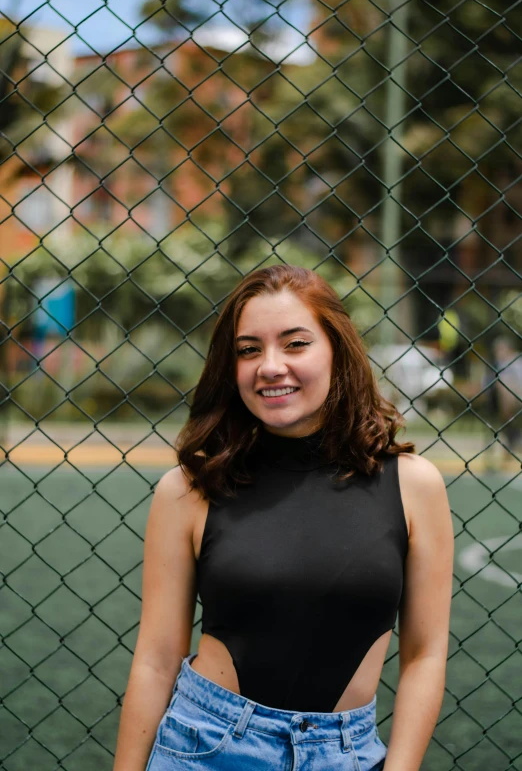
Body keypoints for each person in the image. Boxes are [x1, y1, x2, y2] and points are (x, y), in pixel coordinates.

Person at [112, 264, 454, 771]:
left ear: (337, 350)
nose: (269, 366)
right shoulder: (187, 491)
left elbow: (425, 655)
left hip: (346, 756)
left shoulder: (414, 485)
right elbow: (156, 660)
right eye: (249, 350)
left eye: (295, 344)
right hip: (207, 748)